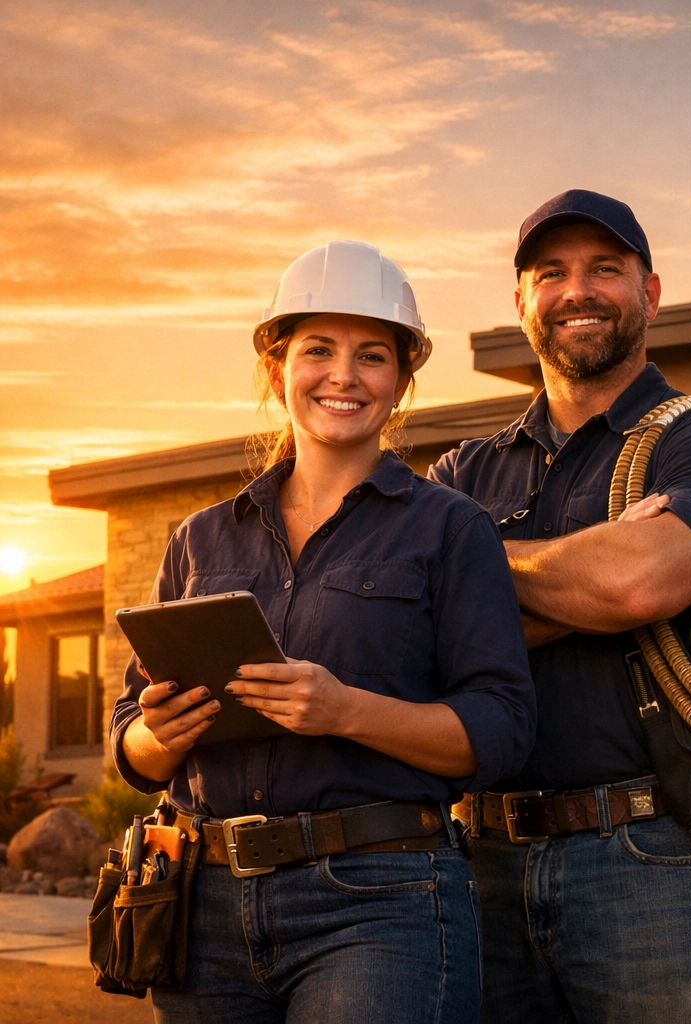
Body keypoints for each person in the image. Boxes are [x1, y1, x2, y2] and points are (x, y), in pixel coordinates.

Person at [111, 240, 537, 1024]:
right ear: (277, 369)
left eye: (372, 355)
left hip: (382, 904)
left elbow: (503, 731)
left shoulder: (451, 530)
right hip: (203, 910)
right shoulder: (200, 540)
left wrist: (348, 713)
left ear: (402, 381)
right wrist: (159, 737)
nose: (344, 375)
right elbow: (131, 739)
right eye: (319, 350)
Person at [429, 190, 691, 1023]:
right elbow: (413, 640)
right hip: (481, 863)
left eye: (605, 269)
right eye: (552, 273)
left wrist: (469, 574)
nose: (578, 289)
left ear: (650, 293)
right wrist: (594, 566)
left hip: (653, 860)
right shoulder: (461, 475)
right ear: (521, 303)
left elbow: (637, 586)